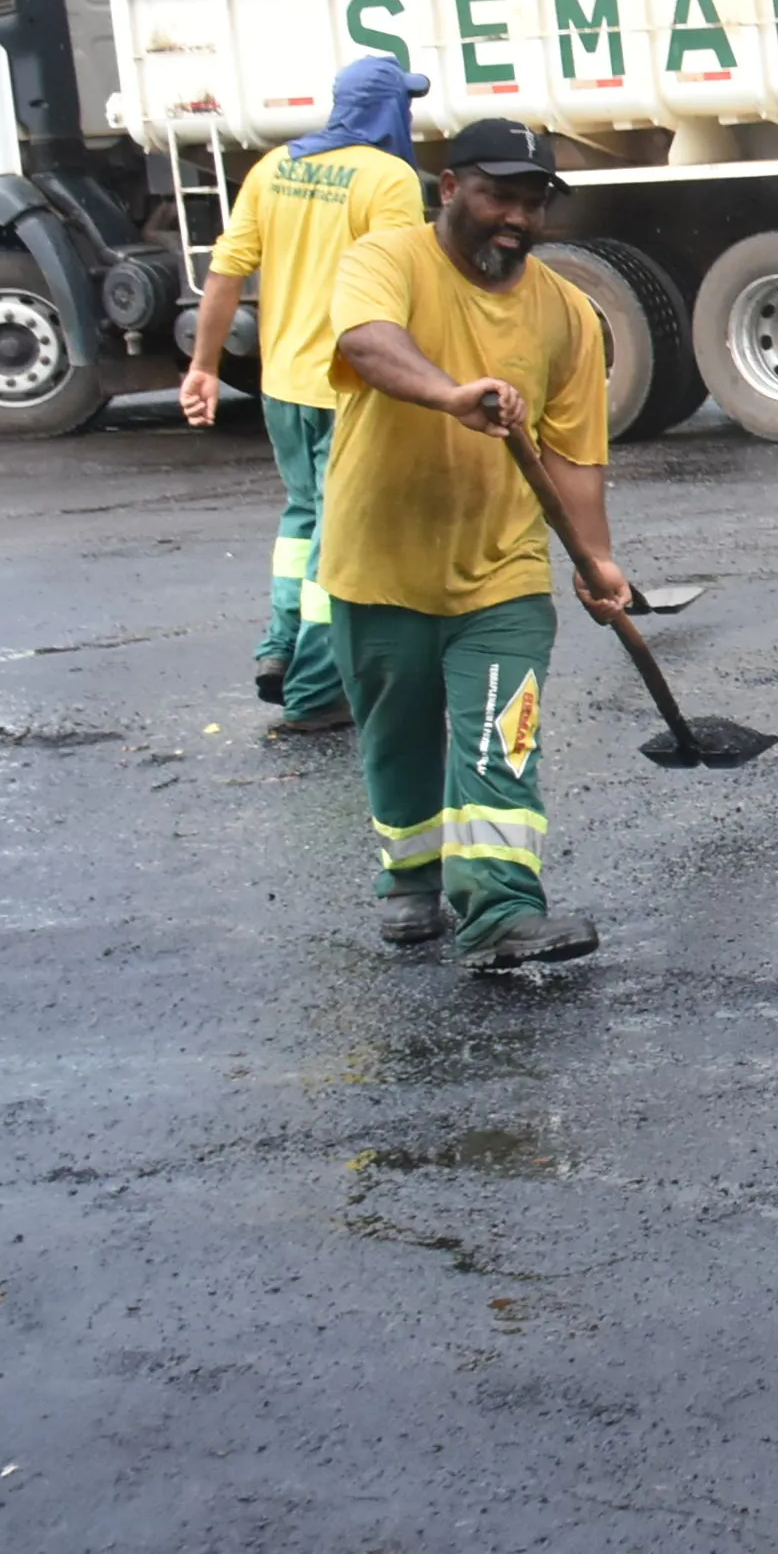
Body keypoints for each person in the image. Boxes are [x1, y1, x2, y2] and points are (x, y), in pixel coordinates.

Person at [322, 118, 630, 969]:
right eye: (501, 196)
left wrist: (596, 559)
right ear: (450, 187)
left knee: (504, 732)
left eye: (534, 203)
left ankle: (501, 910)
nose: (519, 219)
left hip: (503, 572)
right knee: (399, 735)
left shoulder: (567, 314)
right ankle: (411, 879)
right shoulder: (386, 260)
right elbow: (365, 342)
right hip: (378, 561)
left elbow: (574, 450)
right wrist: (449, 393)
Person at [177, 53, 430, 734]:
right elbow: (399, 291)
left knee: (302, 522)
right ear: (387, 111)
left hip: (282, 384)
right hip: (348, 388)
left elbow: (226, 273)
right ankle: (317, 692)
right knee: (338, 539)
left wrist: (203, 365)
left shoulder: (275, 167)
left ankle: (280, 651)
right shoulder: (388, 178)